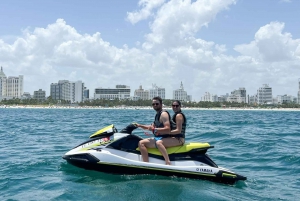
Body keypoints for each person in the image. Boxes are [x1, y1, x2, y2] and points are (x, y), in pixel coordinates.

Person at [136, 97, 183, 165]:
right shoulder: (157, 114)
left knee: (142, 143)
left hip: (164, 138)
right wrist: (140, 126)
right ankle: (146, 162)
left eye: (157, 104)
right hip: (160, 137)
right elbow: (151, 127)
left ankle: (166, 162)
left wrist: (155, 130)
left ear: (161, 104)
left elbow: (167, 128)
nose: (155, 105)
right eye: (153, 104)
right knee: (141, 142)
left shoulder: (164, 114)